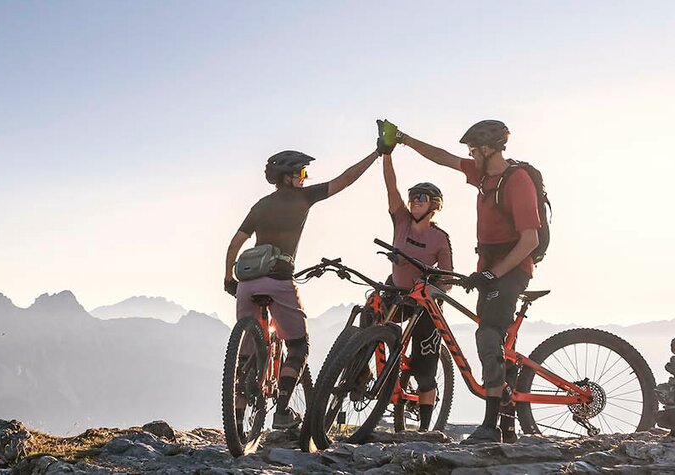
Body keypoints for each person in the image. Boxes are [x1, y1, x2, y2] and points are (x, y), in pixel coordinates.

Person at [391, 119, 542, 444]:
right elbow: (442, 157)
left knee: (488, 336)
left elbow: (530, 239)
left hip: (512, 268)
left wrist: (494, 274)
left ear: (488, 149)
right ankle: (507, 414)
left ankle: (491, 426)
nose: (470, 156)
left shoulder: (517, 182)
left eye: (473, 150)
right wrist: (404, 139)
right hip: (488, 269)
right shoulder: (484, 176)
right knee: (491, 336)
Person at [224, 148, 381, 429]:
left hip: (247, 283)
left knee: (245, 355)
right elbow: (345, 180)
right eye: (302, 173)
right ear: (288, 178)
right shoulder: (303, 198)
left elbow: (235, 243)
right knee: (298, 347)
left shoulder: (260, 205)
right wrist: (376, 155)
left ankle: (236, 422)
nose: (305, 179)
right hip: (279, 280)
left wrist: (228, 279)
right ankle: (282, 412)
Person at [380, 152, 455, 431]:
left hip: (425, 304)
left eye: (421, 198)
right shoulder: (400, 220)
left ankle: (425, 428)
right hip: (396, 294)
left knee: (426, 367)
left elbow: (447, 281)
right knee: (368, 312)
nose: (413, 202)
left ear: (434, 205)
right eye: (413, 197)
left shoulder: (440, 238)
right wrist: (386, 155)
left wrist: (434, 286)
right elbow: (391, 187)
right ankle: (362, 370)